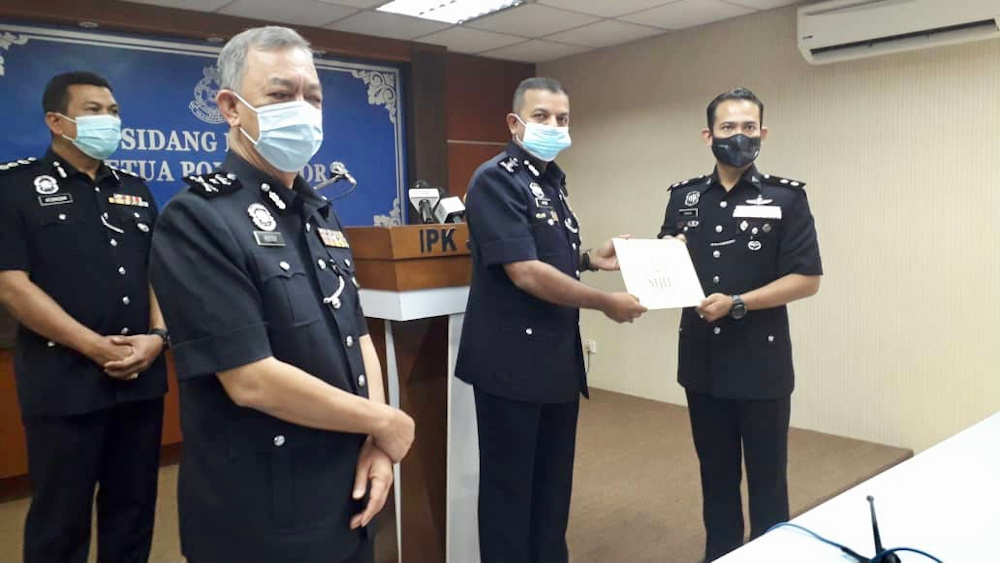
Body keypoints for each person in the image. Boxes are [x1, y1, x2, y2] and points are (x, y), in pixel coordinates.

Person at [148, 26, 414, 563]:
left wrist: (379, 440)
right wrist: (385, 423)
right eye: (280, 94)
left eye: (312, 96)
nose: (303, 108)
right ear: (230, 107)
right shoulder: (199, 218)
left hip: (348, 483)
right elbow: (249, 378)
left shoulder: (318, 212)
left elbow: (357, 332)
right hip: (263, 512)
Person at [455, 76, 648, 563]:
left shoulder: (552, 182)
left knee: (552, 487)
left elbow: (543, 253)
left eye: (562, 119)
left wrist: (587, 259)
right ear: (514, 122)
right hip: (510, 364)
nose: (554, 127)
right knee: (510, 493)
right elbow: (525, 272)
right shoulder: (495, 179)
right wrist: (604, 301)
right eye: (542, 117)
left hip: (556, 361)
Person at [0, 71, 168, 563]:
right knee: (60, 521)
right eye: (95, 110)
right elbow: (12, 287)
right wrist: (93, 345)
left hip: (141, 378)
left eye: (114, 111)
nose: (109, 120)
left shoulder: (135, 189)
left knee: (133, 511)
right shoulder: (15, 187)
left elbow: (158, 272)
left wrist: (158, 335)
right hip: (64, 380)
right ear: (57, 121)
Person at [658, 87, 823, 561]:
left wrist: (739, 303)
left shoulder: (786, 198)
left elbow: (807, 279)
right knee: (716, 478)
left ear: (763, 134)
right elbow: (667, 263)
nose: (739, 136)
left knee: (769, 482)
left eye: (748, 127)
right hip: (702, 363)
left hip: (761, 363)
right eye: (728, 127)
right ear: (708, 135)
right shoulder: (684, 197)